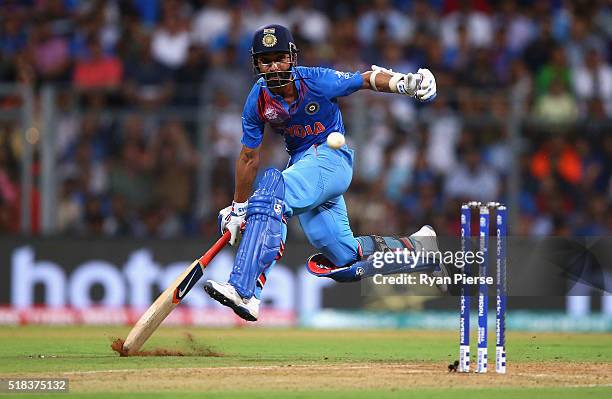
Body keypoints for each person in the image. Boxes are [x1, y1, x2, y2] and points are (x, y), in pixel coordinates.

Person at [204, 24, 447, 322]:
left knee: (272, 188)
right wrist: (239, 207)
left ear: (292, 57)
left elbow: (365, 79)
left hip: (333, 159)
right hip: (305, 168)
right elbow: (247, 156)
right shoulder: (257, 99)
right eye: (266, 60)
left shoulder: (315, 80)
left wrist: (403, 82)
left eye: (280, 57)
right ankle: (416, 247)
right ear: (256, 64)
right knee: (344, 257)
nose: (274, 66)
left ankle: (245, 289)